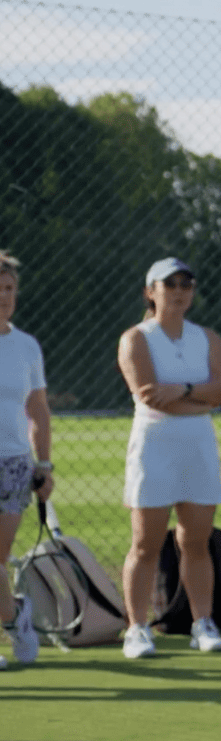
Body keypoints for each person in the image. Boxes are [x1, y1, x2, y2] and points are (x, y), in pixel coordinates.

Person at [117, 257, 221, 658]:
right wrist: (201, 396)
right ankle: (136, 628)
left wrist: (183, 389)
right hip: (154, 446)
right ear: (151, 292)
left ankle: (203, 624)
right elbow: (151, 395)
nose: (180, 291)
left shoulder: (209, 338)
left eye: (186, 284)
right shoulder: (136, 338)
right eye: (170, 284)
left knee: (196, 540)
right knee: (145, 543)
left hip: (199, 445)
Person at [0, 251, 50, 668]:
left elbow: (38, 412)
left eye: (9, 288)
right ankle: (14, 622)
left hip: (13, 465)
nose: (3, 296)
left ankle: (14, 619)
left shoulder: (26, 346)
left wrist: (44, 464)